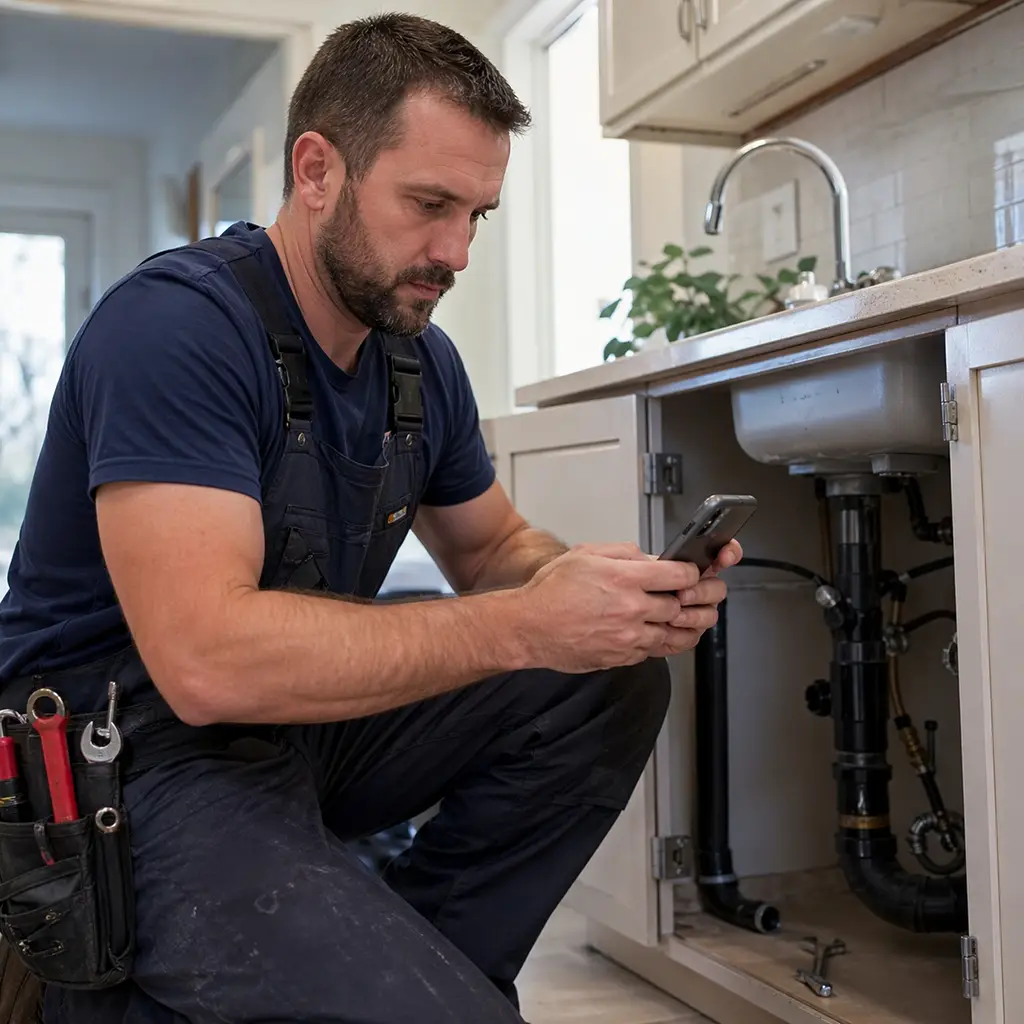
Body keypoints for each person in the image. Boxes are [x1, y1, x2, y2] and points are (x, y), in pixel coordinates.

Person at [0, 13, 739, 1024]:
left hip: (290, 732)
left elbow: (492, 548)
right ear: (316, 169)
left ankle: (428, 966)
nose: (457, 250)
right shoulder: (175, 326)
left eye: (476, 213)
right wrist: (524, 622)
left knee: (605, 684)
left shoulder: (415, 356)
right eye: (429, 203)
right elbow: (206, 662)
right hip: (126, 760)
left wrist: (587, 590)